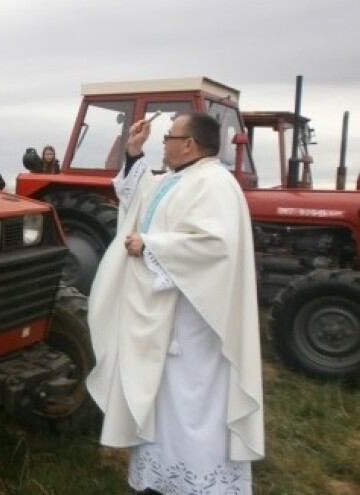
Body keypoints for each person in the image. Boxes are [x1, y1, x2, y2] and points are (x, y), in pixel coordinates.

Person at [86, 112, 264, 494]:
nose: (163, 142)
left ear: (189, 144)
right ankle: (165, 474)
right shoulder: (179, 178)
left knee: (192, 401)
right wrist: (134, 153)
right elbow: (139, 198)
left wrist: (151, 245)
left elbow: (215, 246)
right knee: (166, 398)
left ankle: (199, 479)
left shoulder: (215, 184)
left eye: (169, 136)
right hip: (168, 315)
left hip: (195, 321)